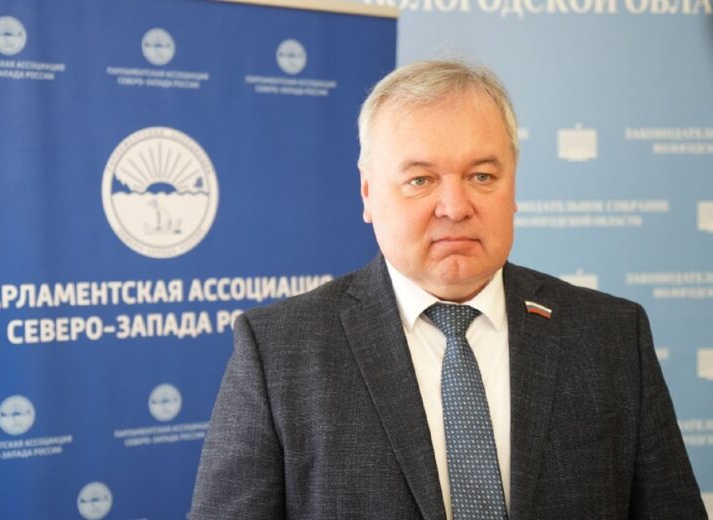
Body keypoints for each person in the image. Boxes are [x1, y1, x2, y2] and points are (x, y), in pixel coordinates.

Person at [189, 60, 706, 519]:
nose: (456, 207)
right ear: (368, 192)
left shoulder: (611, 335)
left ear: (513, 184)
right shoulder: (277, 350)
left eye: (481, 176)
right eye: (420, 180)